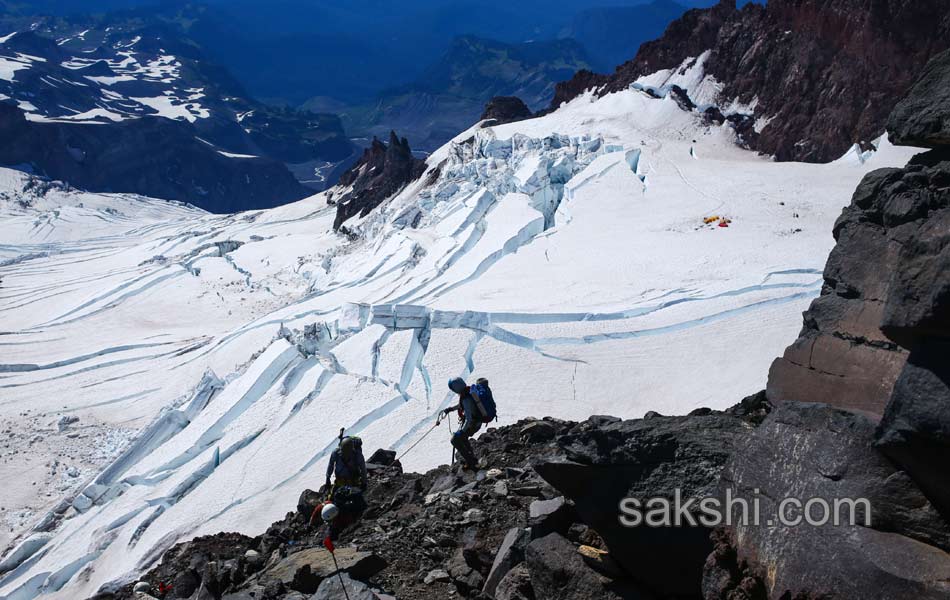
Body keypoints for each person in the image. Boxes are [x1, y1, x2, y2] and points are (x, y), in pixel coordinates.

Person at [442, 377, 483, 470]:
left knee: (455, 440)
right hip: (476, 422)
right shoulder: (467, 392)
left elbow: (468, 418)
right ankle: (471, 459)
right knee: (463, 438)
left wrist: (462, 431)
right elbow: (463, 405)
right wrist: (451, 409)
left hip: (473, 424)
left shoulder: (465, 398)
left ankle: (471, 462)